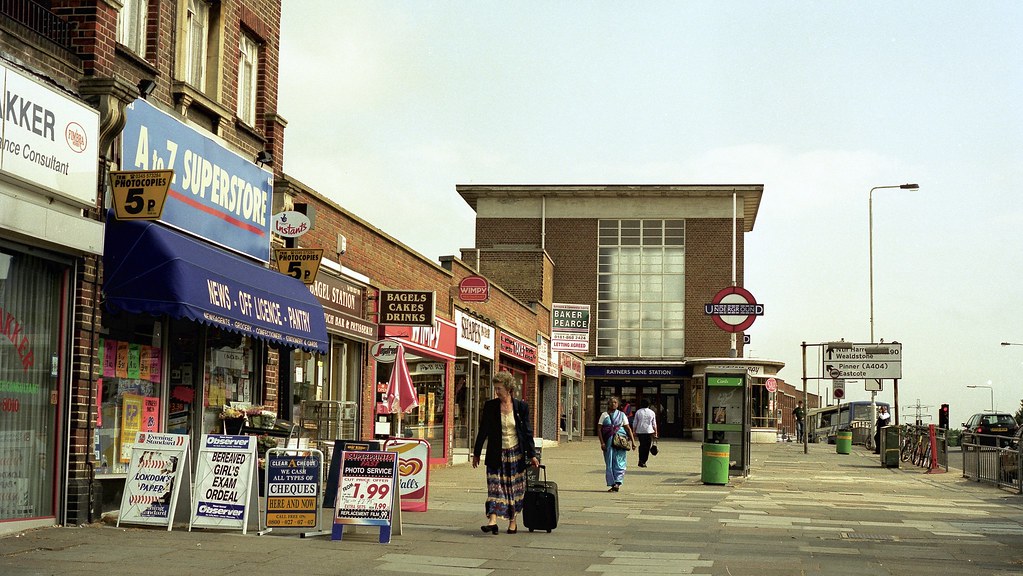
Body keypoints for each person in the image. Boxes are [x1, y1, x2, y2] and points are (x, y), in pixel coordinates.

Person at [472, 371, 539, 534]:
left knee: (513, 488)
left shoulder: (521, 407)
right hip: (496, 453)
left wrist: (532, 455)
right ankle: (492, 520)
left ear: (509, 389)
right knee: (495, 486)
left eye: (499, 388)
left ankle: (513, 521)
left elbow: (527, 432)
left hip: (515, 453)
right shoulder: (491, 406)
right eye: (495, 388)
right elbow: (483, 430)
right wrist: (476, 453)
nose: (497, 392)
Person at [598, 397, 636, 492]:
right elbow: (599, 429)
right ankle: (612, 482)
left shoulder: (622, 415)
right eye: (611, 402)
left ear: (618, 404)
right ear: (608, 404)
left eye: (615, 402)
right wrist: (602, 442)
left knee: (619, 461)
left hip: (620, 442)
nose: (613, 404)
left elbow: (628, 428)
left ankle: (618, 482)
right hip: (608, 443)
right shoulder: (604, 415)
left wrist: (633, 442)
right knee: (610, 462)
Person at [632, 398, 658, 467]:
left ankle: (640, 460)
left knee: (642, 446)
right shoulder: (652, 412)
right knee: (647, 446)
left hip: (640, 431)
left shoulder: (638, 412)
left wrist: (634, 431)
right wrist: (655, 433)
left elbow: (635, 422)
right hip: (649, 431)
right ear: (648, 405)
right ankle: (644, 461)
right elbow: (654, 423)